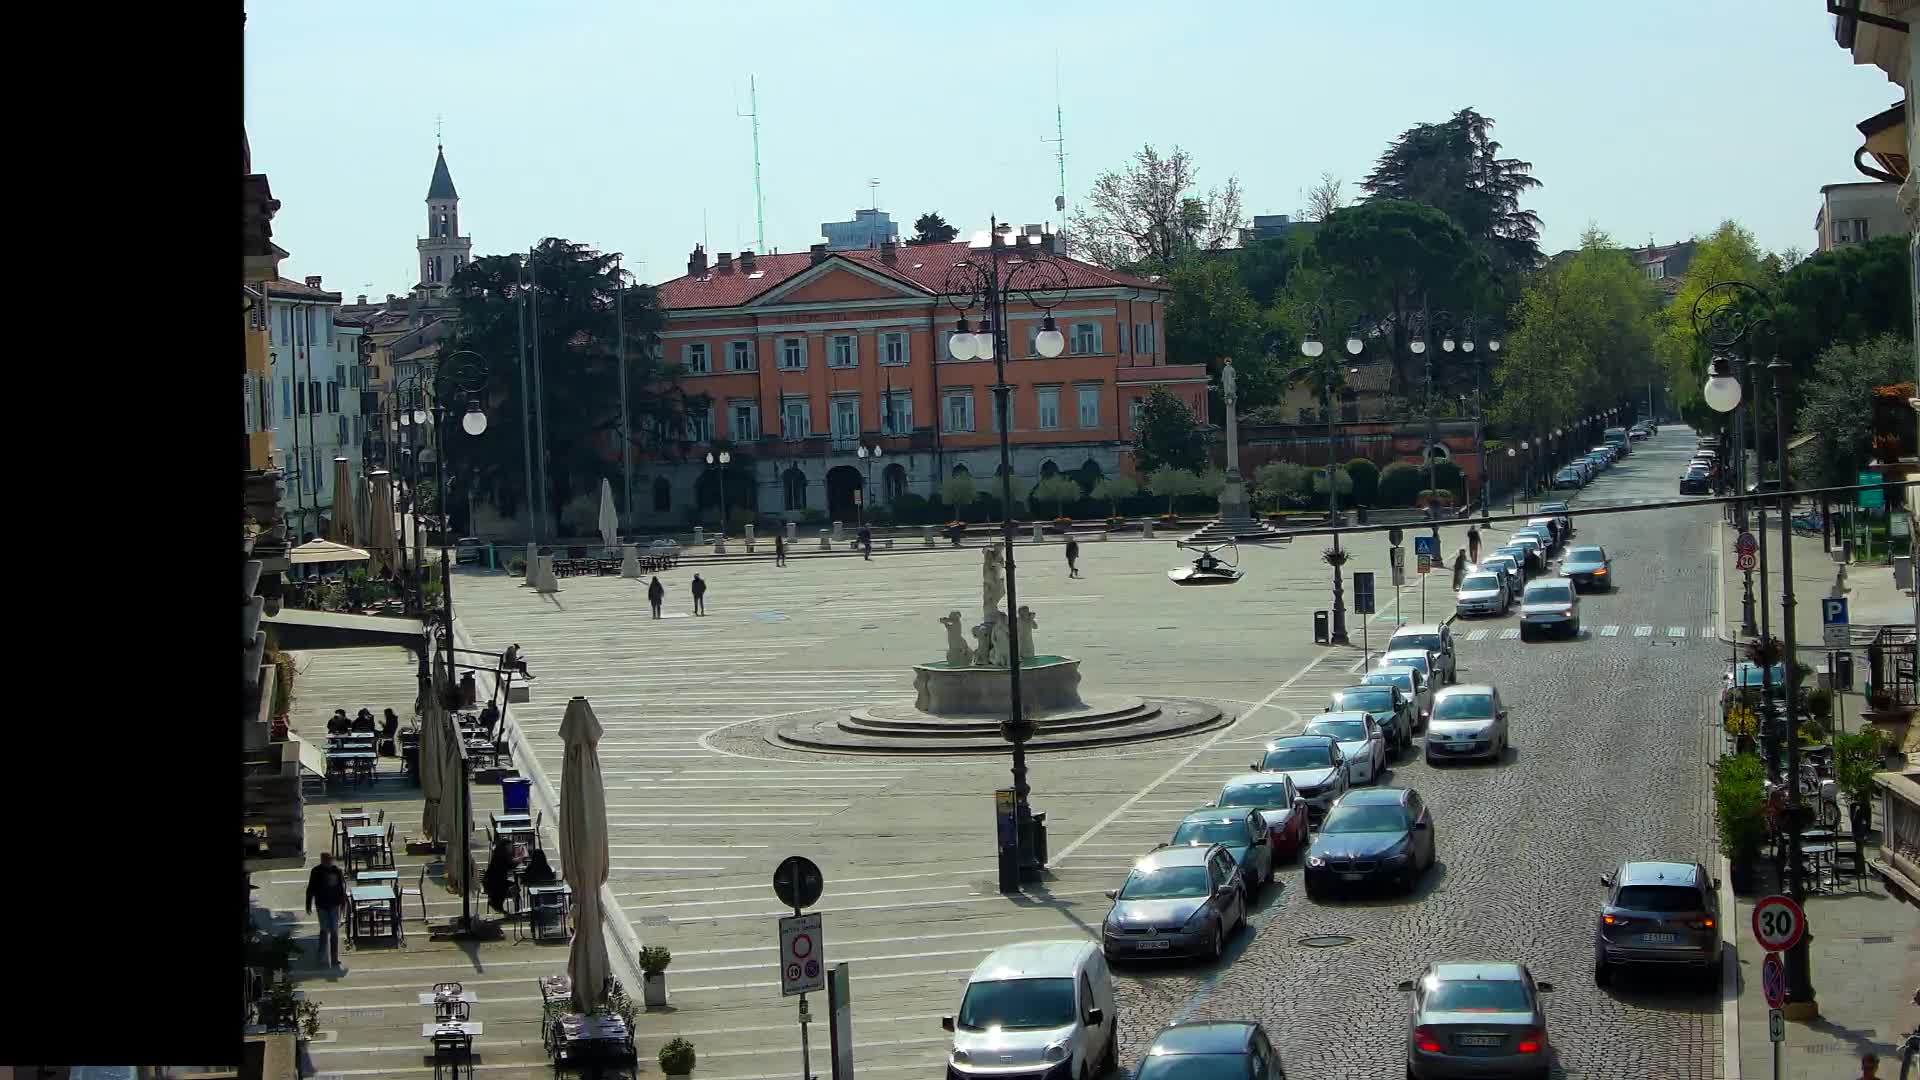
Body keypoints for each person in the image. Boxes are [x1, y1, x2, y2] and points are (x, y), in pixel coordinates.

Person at [305, 852, 348, 968]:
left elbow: (341, 888)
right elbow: (311, 888)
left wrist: (343, 902)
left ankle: (334, 959)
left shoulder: (336, 871)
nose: (328, 862)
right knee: (324, 930)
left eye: (329, 859)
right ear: (322, 860)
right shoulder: (316, 871)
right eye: (326, 860)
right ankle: (322, 958)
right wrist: (308, 903)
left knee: (334, 931)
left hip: (334, 905)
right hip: (322, 905)